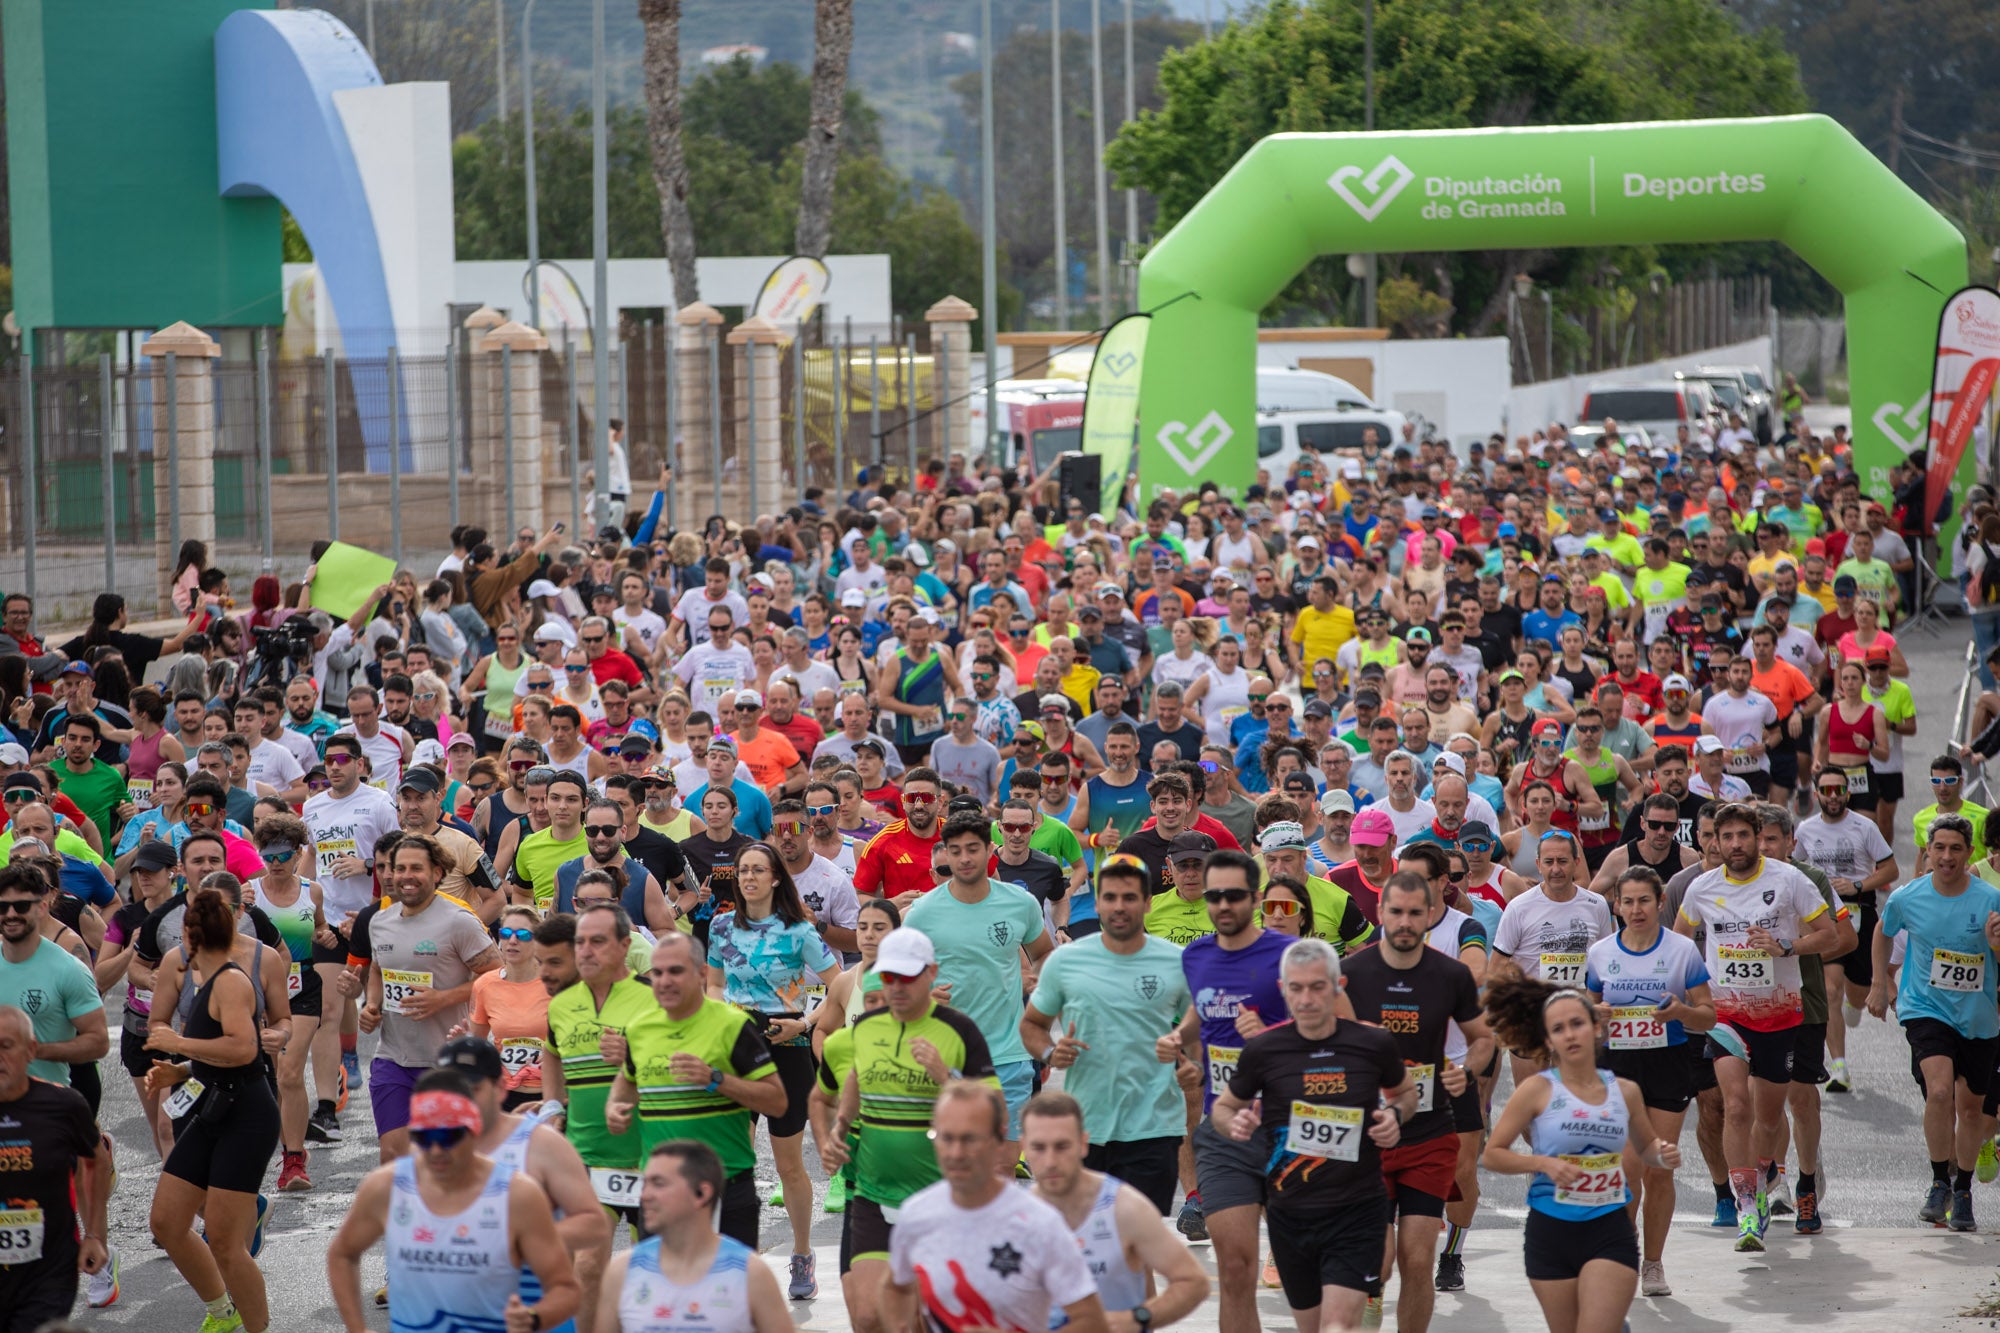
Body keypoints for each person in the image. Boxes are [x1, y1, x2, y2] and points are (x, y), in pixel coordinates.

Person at [1209, 937, 1412, 1333]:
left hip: (1357, 1211)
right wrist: (1232, 1124)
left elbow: (1404, 1094)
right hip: (1291, 1215)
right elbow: (1222, 1107)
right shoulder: (1265, 1050)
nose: (1306, 999)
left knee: (1338, 1325)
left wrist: (1395, 1116)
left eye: (1318, 987)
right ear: (1283, 990)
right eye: (1297, 988)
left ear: (1338, 987)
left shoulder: (1372, 1043)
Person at [1672, 802, 1840, 1253]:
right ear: (1714, 842)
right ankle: (1747, 1204)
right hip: (1725, 1016)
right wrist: (1689, 995)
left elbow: (1832, 935)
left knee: (1767, 1119)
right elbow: (1680, 942)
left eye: (1742, 836)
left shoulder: (1789, 881)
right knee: (1736, 1106)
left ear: (1756, 835)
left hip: (1780, 1014)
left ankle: (1764, 1174)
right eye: (1724, 837)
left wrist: (1786, 946)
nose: (1734, 845)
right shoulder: (1702, 888)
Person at [818, 926, 998, 1333]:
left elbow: (995, 1114)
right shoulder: (865, 1028)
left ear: (931, 973)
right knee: (868, 1317)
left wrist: (946, 1077)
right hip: (872, 1192)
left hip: (940, 1199)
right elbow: (853, 1081)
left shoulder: (959, 1030)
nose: (896, 987)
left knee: (918, 1320)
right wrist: (839, 1129)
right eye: (888, 976)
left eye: (907, 977)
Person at [1481, 976, 1681, 1333]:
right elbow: (1493, 1155)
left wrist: (1661, 1154)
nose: (1570, 1035)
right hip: (1550, 1233)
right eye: (1559, 1028)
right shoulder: (1536, 1090)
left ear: (1596, 1028)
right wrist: (1542, 1163)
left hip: (1609, 1228)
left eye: (1577, 1024)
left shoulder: (1625, 1091)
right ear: (1548, 1040)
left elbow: (1648, 1147)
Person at [1340, 870, 1490, 1333]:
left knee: (1418, 1257)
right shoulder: (1351, 974)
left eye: (1414, 913)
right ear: (1380, 912)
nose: (1404, 922)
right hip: (1369, 1137)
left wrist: (1464, 1072)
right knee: (1377, 1261)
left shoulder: (1451, 976)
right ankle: (1368, 1297)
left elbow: (1482, 1039)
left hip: (1428, 1133)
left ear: (1430, 915)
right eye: (1396, 912)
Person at [326, 1068, 581, 1333]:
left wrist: (533, 1318)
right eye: (425, 1138)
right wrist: (356, 1327)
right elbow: (342, 1254)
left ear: (474, 1132)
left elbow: (565, 1289)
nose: (436, 1150)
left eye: (448, 1137)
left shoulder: (517, 1195)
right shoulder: (388, 1187)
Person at [144, 880, 283, 1333]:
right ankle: (224, 1311)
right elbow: (219, 1054)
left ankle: (257, 1328)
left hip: (246, 1116)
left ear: (189, 937)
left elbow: (244, 1051)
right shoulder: (208, 980)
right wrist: (180, 1070)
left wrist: (177, 1042)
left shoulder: (231, 982)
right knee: (167, 1220)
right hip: (210, 1104)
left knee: (225, 1240)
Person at [1022, 854, 1193, 1214]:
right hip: (1086, 1130)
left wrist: (1192, 1064)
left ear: (1147, 902)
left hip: (1154, 1129)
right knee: (1087, 1247)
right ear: (1097, 902)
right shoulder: (1065, 962)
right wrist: (1052, 1054)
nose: (1119, 906)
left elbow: (1201, 1026)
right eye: (1111, 897)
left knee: (1137, 1250)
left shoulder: (1176, 962)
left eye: (1130, 897)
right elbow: (1032, 1025)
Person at [703, 843, 838, 1294]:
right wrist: (719, 1030)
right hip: (737, 1046)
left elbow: (839, 988)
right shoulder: (722, 925)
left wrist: (803, 1021)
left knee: (789, 1165)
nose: (749, 878)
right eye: (743, 870)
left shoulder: (799, 930)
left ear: (776, 877)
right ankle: (741, 1256)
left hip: (788, 1044)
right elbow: (715, 986)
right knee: (733, 1161)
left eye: (758, 870)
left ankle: (802, 1255)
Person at [1584, 867, 1715, 1297]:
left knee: (1659, 1168)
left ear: (1660, 902)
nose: (1636, 910)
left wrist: (1680, 1012)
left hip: (1668, 1065)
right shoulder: (1601, 952)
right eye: (1628, 902)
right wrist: (1595, 1016)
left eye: (1644, 901)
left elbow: (1708, 1014)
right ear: (1616, 905)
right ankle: (1624, 1252)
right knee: (1626, 1168)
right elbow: (1585, 1014)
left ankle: (1653, 1264)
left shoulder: (1681, 951)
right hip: (1617, 1070)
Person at [1869, 814, 2000, 1232]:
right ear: (1926, 851)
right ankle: (1939, 1182)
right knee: (1940, 1091)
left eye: (1956, 849)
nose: (1946, 857)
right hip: (1926, 1008)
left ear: (1968, 853)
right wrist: (1877, 983)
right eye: (1938, 848)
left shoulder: (1989, 900)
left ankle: (1963, 1190)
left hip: (1979, 1015)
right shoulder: (1909, 897)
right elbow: (1883, 932)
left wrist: (1996, 943)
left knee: (1971, 1107)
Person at [906, 813, 1053, 1149]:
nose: (964, 858)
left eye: (973, 849)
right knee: (954, 1165)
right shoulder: (922, 912)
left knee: (1002, 1168)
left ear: (991, 850)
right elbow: (896, 980)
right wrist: (924, 996)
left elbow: (1044, 954)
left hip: (1010, 1057)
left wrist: (1038, 993)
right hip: (946, 1055)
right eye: (955, 851)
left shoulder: (1020, 904)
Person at [357, 834, 501, 1161]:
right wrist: (373, 1006)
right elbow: (379, 970)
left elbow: (495, 975)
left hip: (446, 1061)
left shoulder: (459, 921)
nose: (406, 876)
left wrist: (443, 998)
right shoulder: (380, 922)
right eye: (399, 868)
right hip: (393, 1057)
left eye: (416, 868)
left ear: (437, 873)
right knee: (394, 1155)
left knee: (444, 1157)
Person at [1022, 1091, 1212, 1329]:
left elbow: (1194, 1282)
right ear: (1023, 1147)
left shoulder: (1125, 1208)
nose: (1050, 1161)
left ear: (1083, 1143)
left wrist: (1137, 1318)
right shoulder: (1012, 1216)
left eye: (1062, 1146)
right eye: (1039, 1148)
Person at [594, 1139, 796, 1333]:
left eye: (659, 1183)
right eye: (645, 1184)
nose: (644, 1195)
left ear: (701, 1193)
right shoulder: (622, 1272)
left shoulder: (752, 1274)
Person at [0, 1004, 110, 1328]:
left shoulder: (64, 1105)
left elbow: (97, 1161)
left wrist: (93, 1234)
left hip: (48, 1271)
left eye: (6, 1047)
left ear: (31, 1050)